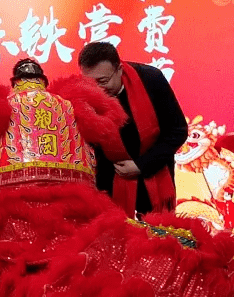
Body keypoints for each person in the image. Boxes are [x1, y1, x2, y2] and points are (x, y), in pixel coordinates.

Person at [77, 42, 187, 218]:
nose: (97, 89)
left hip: (153, 174)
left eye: (103, 81)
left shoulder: (151, 80)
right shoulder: (80, 92)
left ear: (119, 69)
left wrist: (141, 165)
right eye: (90, 83)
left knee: (155, 230)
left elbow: (177, 131)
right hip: (109, 178)